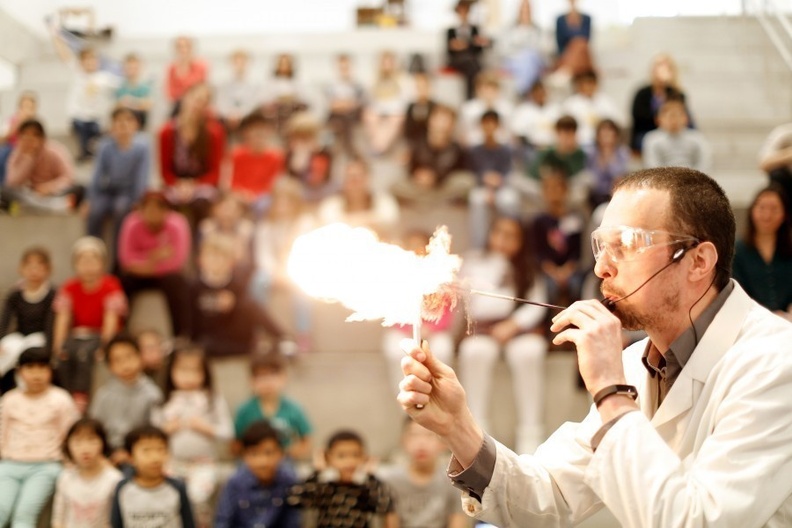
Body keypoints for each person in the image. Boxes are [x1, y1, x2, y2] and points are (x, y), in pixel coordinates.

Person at [398, 166, 792, 526]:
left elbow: (697, 521)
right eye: (602, 246)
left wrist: (611, 392)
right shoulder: (637, 364)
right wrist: (457, 426)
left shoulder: (776, 363)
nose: (602, 268)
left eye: (627, 245)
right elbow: (546, 499)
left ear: (698, 261)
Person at [457, 215, 549, 453]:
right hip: (483, 329)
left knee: (529, 352)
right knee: (474, 352)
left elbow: (537, 303)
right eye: (499, 233)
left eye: (511, 236)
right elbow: (470, 302)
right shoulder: (474, 262)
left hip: (517, 330)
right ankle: (477, 432)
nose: (503, 240)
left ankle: (531, 433)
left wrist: (514, 324)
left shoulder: (528, 266)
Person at [151, 344, 233, 526]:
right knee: (169, 499)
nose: (189, 377)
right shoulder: (164, 401)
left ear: (205, 373)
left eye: (195, 371)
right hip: (172, 463)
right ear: (171, 371)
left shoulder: (212, 399)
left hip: (203, 463)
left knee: (196, 499)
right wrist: (166, 429)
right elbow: (151, 435)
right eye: (183, 370)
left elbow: (228, 432)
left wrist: (206, 428)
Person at [0, 347, 79, 528]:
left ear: (51, 370)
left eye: (42, 368)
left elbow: (70, 435)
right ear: (20, 371)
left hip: (45, 466)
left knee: (24, 515)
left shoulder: (61, 399)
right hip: (9, 464)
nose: (37, 374)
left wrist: (69, 468)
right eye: (30, 368)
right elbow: (1, 433)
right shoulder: (9, 399)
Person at [53, 237, 127, 409]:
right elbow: (62, 318)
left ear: (102, 263)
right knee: (65, 354)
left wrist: (105, 345)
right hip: (78, 334)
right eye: (83, 261)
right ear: (75, 264)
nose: (88, 266)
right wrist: (58, 345)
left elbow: (111, 319)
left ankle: (81, 395)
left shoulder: (111, 285)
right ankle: (66, 393)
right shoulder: (69, 287)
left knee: (85, 354)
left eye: (93, 260)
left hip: (99, 335)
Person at [190, 234, 289, 359]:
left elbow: (251, 312)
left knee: (249, 304)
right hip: (208, 340)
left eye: (220, 256)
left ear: (231, 262)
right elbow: (191, 320)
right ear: (201, 260)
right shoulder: (194, 286)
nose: (215, 261)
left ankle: (283, 339)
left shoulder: (238, 284)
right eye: (210, 256)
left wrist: (234, 305)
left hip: (237, 340)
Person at [381, 230, 455, 390]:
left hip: (435, 332)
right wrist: (408, 328)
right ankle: (406, 401)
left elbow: (447, 310)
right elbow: (391, 310)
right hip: (403, 331)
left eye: (420, 247)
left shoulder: (441, 276)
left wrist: (432, 328)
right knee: (395, 351)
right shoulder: (395, 277)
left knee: (442, 349)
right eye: (410, 247)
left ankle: (437, 393)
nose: (415, 251)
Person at [250, 178, 315, 351]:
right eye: (279, 200)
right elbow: (263, 255)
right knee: (257, 282)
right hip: (273, 271)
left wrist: (289, 272)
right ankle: (260, 330)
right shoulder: (266, 226)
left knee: (303, 289)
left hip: (297, 270)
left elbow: (305, 253)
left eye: (288, 200)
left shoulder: (305, 223)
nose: (283, 205)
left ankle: (303, 333)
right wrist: (275, 272)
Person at [117, 191, 192, 337]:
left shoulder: (178, 223)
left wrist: (144, 262)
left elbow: (178, 262)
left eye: (159, 208)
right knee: (121, 282)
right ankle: (121, 333)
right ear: (141, 210)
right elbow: (126, 260)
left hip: (163, 276)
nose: (153, 213)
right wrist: (155, 256)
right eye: (148, 208)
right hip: (139, 274)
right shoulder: (131, 222)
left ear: (166, 211)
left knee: (178, 283)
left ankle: (180, 335)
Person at [287, 429, 397, 528]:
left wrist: (370, 476)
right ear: (328, 457)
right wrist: (317, 471)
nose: (349, 461)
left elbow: (385, 505)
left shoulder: (366, 488)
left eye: (355, 455)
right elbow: (295, 500)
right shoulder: (323, 488)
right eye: (341, 456)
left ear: (364, 457)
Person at [90, 334, 163, 469]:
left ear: (140, 357)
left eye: (129, 357)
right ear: (109, 366)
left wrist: (131, 454)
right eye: (117, 360)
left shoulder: (152, 393)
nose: (125, 365)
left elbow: (155, 430)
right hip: (107, 452)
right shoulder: (103, 395)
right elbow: (95, 430)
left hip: (139, 452)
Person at [378, 418, 466, 528]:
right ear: (403, 441)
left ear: (443, 442)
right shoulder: (390, 479)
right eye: (414, 435)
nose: (421, 443)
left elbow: (458, 521)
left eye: (429, 435)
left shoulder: (453, 479)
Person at [158, 82, 225, 224]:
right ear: (185, 98)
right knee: (167, 202)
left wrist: (194, 185)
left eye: (204, 101)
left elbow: (215, 173)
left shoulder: (215, 132)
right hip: (175, 183)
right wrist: (179, 185)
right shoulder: (167, 132)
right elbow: (165, 171)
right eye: (195, 98)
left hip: (202, 183)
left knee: (203, 201)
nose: (198, 104)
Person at [214, 420, 301, 528]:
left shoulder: (289, 482)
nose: (262, 461)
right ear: (244, 456)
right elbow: (222, 521)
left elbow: (293, 523)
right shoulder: (235, 483)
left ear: (281, 454)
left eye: (268, 453)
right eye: (254, 454)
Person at [85, 107, 150, 247]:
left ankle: (118, 258)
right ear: (112, 126)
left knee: (121, 209)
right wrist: (89, 199)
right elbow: (97, 174)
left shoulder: (142, 147)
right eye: (119, 121)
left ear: (136, 124)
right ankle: (92, 249)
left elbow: (142, 177)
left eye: (128, 120)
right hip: (108, 190)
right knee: (96, 210)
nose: (123, 125)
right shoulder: (105, 145)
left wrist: (139, 200)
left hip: (128, 193)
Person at [110, 425, 196, 527]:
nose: (155, 458)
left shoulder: (178, 487)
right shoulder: (123, 488)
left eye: (161, 449)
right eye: (146, 451)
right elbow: (116, 524)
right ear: (130, 457)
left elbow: (188, 523)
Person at [234, 353, 312, 461]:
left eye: (272, 375)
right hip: (253, 463)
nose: (267, 382)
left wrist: (289, 454)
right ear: (251, 381)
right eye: (260, 376)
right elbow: (235, 444)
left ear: (283, 377)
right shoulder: (244, 411)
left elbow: (306, 441)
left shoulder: (294, 409)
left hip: (284, 462)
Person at [393, 105, 475, 208]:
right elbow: (411, 166)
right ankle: (426, 202)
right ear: (431, 121)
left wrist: (435, 178)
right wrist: (418, 175)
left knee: (466, 182)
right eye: (438, 119)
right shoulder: (418, 141)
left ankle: (428, 202)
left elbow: (458, 170)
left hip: (443, 187)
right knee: (396, 185)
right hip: (419, 187)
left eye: (445, 120)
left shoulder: (456, 148)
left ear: (452, 124)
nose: (441, 124)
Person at [0, 247, 55, 392]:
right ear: (21, 268)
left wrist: (50, 348)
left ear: (48, 270)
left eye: (39, 267)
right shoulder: (15, 294)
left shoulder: (52, 294)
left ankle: (25, 391)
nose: (34, 271)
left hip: (39, 337)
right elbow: (4, 321)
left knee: (30, 355)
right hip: (19, 336)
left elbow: (51, 324)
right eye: (29, 267)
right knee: (7, 349)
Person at [733, 185, 792, 319]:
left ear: (784, 214)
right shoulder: (738, 251)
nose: (767, 215)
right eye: (761, 208)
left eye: (774, 209)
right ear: (752, 211)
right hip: (751, 322)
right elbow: (736, 293)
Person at [53, 43, 119, 161]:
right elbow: (64, 56)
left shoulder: (103, 77)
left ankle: (90, 149)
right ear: (81, 62)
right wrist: (55, 35)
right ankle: (86, 151)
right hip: (78, 117)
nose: (90, 63)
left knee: (98, 129)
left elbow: (120, 86)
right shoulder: (77, 74)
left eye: (93, 59)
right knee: (81, 127)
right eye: (87, 60)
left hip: (95, 119)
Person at [52, 418, 123, 528]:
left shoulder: (114, 479)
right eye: (77, 442)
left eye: (92, 440)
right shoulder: (65, 477)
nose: (85, 449)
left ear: (103, 443)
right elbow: (58, 519)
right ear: (68, 445)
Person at [532, 165, 586, 306]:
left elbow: (577, 251)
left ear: (566, 190)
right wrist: (553, 272)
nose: (553, 193)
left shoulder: (575, 218)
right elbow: (539, 252)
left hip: (570, 269)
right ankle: (548, 322)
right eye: (549, 189)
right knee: (549, 288)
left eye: (557, 188)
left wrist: (567, 270)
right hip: (548, 270)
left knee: (576, 285)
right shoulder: (539, 221)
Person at [2, 119, 82, 213]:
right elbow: (11, 182)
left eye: (34, 136)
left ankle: (39, 206)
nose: (29, 140)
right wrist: (29, 158)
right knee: (4, 192)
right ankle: (53, 206)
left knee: (80, 189)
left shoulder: (55, 151)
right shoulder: (16, 155)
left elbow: (69, 177)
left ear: (42, 138)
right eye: (25, 136)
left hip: (55, 193)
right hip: (30, 195)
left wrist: (48, 188)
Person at [468, 110, 520, 249]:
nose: (489, 127)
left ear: (498, 126)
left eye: (493, 124)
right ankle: (478, 248)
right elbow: (471, 172)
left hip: (502, 187)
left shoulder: (506, 150)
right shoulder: (475, 150)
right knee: (477, 200)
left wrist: (497, 181)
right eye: (486, 124)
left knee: (510, 200)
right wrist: (485, 180)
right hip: (481, 187)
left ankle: (510, 245)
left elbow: (508, 172)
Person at [317, 157, 400, 239]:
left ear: (368, 179)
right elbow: (328, 228)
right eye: (350, 178)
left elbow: (388, 225)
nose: (355, 183)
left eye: (359, 178)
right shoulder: (331, 205)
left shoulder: (384, 203)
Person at [630, 53, 693, 153]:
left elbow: (683, 115)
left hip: (674, 131)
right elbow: (638, 116)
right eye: (659, 66)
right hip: (647, 132)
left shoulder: (677, 93)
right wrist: (662, 119)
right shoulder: (642, 93)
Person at [228, 112, 284, 215]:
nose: (258, 138)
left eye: (261, 134)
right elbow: (233, 181)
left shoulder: (276, 157)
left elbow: (274, 184)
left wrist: (256, 195)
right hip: (240, 195)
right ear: (246, 134)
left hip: (264, 197)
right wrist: (241, 194)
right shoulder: (237, 155)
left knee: (263, 204)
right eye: (255, 134)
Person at [642, 95, 711, 172]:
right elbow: (652, 166)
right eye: (669, 116)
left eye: (678, 115)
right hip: (662, 181)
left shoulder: (697, 138)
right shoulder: (652, 139)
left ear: (686, 118)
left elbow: (704, 164)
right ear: (658, 119)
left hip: (693, 180)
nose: (674, 120)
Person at [363, 51, 410, 155]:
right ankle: (380, 146)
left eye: (389, 63)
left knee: (396, 119)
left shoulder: (402, 80)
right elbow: (370, 100)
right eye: (384, 63)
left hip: (395, 112)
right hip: (378, 111)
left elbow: (404, 101)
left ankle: (378, 147)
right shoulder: (373, 80)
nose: (387, 66)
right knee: (370, 116)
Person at [562, 70, 622, 147]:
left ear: (596, 84)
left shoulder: (607, 102)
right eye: (586, 83)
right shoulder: (570, 104)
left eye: (591, 83)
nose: (589, 87)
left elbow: (617, 123)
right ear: (580, 85)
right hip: (579, 144)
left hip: (603, 146)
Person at [284, 111, 334, 203]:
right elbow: (294, 172)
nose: (303, 142)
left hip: (320, 191)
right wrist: (300, 154)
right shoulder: (289, 155)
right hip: (298, 191)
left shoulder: (324, 154)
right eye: (299, 137)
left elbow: (321, 178)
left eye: (307, 137)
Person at [510, 80, 562, 165]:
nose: (539, 95)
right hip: (532, 148)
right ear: (531, 94)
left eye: (542, 92)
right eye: (536, 92)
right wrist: (538, 146)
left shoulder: (556, 109)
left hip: (553, 147)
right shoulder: (523, 110)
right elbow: (519, 134)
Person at [446, 0, 489, 100]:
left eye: (466, 11)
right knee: (472, 64)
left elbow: (478, 48)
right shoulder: (450, 31)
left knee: (472, 64)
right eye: (461, 11)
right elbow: (450, 50)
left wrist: (463, 44)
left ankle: (472, 96)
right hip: (457, 60)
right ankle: (472, 96)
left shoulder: (475, 29)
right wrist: (470, 43)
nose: (463, 14)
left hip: (471, 60)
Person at [459, 71, 513, 147]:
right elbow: (464, 135)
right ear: (477, 90)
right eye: (485, 88)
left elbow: (509, 134)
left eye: (492, 88)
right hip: (474, 148)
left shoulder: (506, 108)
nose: (488, 92)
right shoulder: (468, 109)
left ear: (498, 90)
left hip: (500, 147)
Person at [326, 53, 366, 156]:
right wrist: (346, 104)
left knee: (347, 118)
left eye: (346, 67)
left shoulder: (358, 86)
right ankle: (349, 149)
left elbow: (357, 104)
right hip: (336, 116)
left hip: (352, 116)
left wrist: (344, 104)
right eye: (341, 67)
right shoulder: (330, 86)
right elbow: (332, 105)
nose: (344, 70)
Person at [586, 118, 630, 208]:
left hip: (615, 193)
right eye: (603, 131)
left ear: (616, 135)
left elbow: (621, 173)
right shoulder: (592, 152)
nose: (606, 135)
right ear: (598, 135)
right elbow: (591, 176)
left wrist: (609, 156)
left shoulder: (623, 152)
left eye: (609, 131)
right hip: (594, 193)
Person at [216, 50, 261, 135]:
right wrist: (229, 115)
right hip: (226, 122)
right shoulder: (222, 83)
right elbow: (220, 102)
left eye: (242, 61)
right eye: (236, 61)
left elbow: (254, 103)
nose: (239, 65)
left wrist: (240, 114)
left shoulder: (256, 84)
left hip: (248, 121)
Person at [0, 91, 38, 184]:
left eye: (30, 107)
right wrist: (18, 123)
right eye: (24, 106)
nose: (27, 110)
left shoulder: (36, 124)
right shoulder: (12, 120)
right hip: (12, 148)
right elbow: (3, 138)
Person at [758, 122, 792, 219]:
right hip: (786, 189)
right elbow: (763, 164)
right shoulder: (784, 133)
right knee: (777, 174)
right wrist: (788, 155)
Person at [166, 35, 208, 108]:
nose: (183, 49)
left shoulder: (201, 66)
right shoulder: (172, 68)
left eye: (186, 46)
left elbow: (200, 89)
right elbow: (170, 93)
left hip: (197, 105)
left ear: (191, 47)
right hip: (178, 104)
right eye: (180, 46)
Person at [115, 53, 153, 129]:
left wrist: (130, 102)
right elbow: (116, 105)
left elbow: (148, 105)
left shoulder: (145, 86)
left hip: (140, 125)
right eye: (129, 68)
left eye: (134, 68)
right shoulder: (120, 86)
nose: (132, 70)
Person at [403, 71, 437, 149]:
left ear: (429, 87)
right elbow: (407, 130)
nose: (421, 90)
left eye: (424, 87)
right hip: (414, 144)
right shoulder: (411, 107)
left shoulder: (435, 107)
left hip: (430, 145)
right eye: (419, 87)